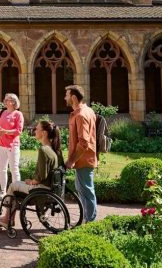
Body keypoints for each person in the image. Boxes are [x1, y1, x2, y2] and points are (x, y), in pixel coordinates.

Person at [0, 120, 64, 226]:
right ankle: (9, 218)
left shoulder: (44, 150)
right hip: (52, 189)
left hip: (41, 190)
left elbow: (41, 177)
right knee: (18, 185)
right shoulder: (55, 150)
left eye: (37, 129)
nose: (35, 131)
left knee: (12, 186)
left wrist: (31, 181)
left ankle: (7, 219)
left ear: (44, 133)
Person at [64, 84, 98, 223]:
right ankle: (87, 219)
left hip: (83, 159)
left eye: (66, 95)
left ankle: (90, 222)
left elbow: (83, 143)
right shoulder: (87, 111)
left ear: (73, 97)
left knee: (87, 191)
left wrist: (71, 160)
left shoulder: (81, 115)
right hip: (84, 159)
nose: (64, 98)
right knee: (83, 190)